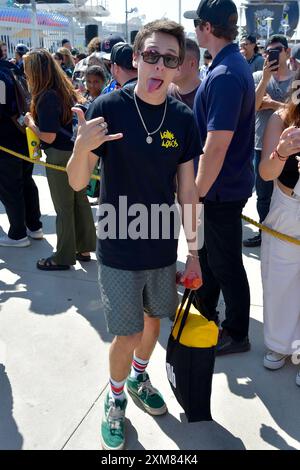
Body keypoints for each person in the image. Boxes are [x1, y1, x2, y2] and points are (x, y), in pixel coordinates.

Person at [67, 19, 202, 450]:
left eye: (169, 58)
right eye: (151, 55)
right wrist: (81, 148)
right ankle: (116, 396)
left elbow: (187, 189)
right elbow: (75, 183)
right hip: (118, 243)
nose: (159, 65)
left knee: (152, 322)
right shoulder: (106, 108)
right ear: (136, 57)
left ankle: (140, 377)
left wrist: (193, 252)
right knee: (125, 334)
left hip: (162, 244)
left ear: (178, 66)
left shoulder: (182, 119)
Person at [185, 0, 255, 355]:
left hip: (220, 190)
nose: (194, 31)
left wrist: (195, 192)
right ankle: (206, 312)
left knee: (226, 263)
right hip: (222, 187)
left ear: (207, 28)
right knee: (214, 258)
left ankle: (237, 332)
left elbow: (216, 145)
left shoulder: (226, 73)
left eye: (196, 24)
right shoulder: (229, 66)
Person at [23, 49, 96, 270]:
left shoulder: (46, 96)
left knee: (64, 207)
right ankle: (84, 248)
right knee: (79, 201)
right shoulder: (64, 90)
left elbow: (48, 135)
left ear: (36, 71)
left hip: (59, 156)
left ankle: (63, 257)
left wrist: (30, 123)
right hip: (76, 152)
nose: (25, 74)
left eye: (28, 70)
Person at [259, 69, 300, 387]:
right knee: (280, 279)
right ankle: (279, 344)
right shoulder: (281, 118)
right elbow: (267, 172)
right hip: (287, 207)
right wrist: (282, 153)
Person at [243, 35, 294, 248]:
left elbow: (296, 112)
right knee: (263, 196)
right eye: (268, 51)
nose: (272, 54)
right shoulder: (257, 77)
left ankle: (286, 234)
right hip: (260, 145)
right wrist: (265, 79)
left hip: (291, 146)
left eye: (278, 50)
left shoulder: (297, 79)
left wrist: (273, 104)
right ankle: (265, 233)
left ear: (287, 52)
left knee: (289, 194)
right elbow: (251, 108)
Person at [0, 46, 43, 247]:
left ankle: (18, 234)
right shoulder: (14, 70)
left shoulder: (1, 76)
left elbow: (2, 109)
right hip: (24, 136)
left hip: (7, 141)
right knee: (26, 181)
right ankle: (34, 226)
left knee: (11, 187)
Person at [169, 38, 201, 110]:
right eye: (168, 59)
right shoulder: (164, 92)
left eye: (174, 60)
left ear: (192, 64)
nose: (168, 64)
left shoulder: (207, 97)